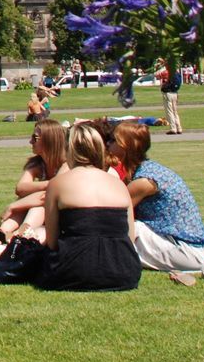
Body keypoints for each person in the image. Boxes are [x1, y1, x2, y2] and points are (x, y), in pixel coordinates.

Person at [113, 121, 204, 284]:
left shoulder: (145, 181)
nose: (108, 144)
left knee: (125, 227)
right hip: (190, 248)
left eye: (113, 141)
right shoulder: (150, 169)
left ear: (125, 147)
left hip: (185, 252)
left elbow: (112, 209)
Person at [35, 123, 140, 291]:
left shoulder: (57, 184)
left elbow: (53, 241)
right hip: (124, 272)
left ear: (69, 149)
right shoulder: (119, 185)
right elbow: (130, 237)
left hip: (71, 271)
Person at [0, 120, 68, 255]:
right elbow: (21, 188)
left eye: (34, 138)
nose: (30, 141)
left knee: (38, 206)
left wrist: (13, 206)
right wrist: (49, 184)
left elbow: (46, 197)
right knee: (26, 199)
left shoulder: (66, 164)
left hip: (60, 215)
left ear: (49, 140)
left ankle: (14, 237)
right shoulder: (37, 164)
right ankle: (0, 238)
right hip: (45, 212)